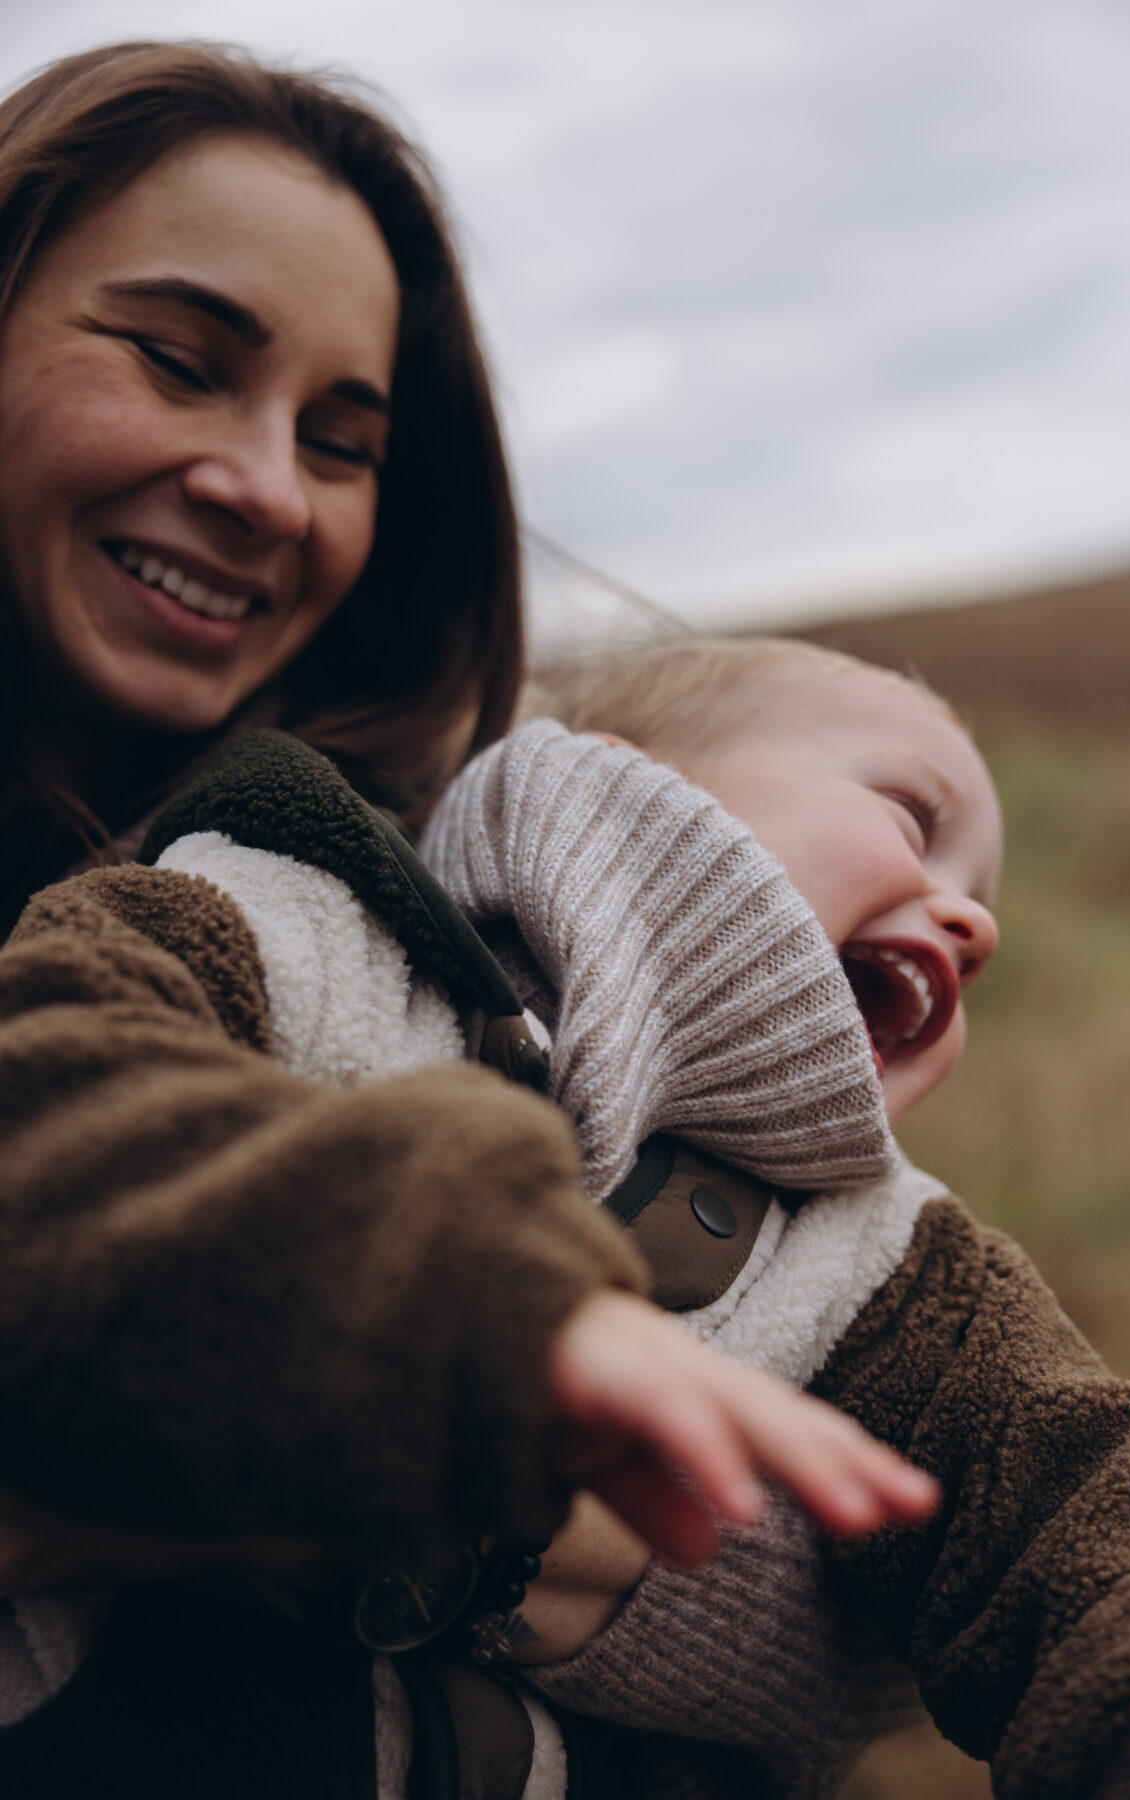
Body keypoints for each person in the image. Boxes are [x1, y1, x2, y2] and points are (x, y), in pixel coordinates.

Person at [0, 41, 933, 1798]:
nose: (268, 486)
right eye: (180, 362)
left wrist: (220, 1488)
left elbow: (854, 1600)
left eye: (345, 443)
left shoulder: (424, 906)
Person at [415, 636, 1130, 1798]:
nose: (972, 928)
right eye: (910, 817)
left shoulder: (882, 1252)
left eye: (980, 904)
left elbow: (1083, 1509)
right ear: (624, 780)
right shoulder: (343, 941)